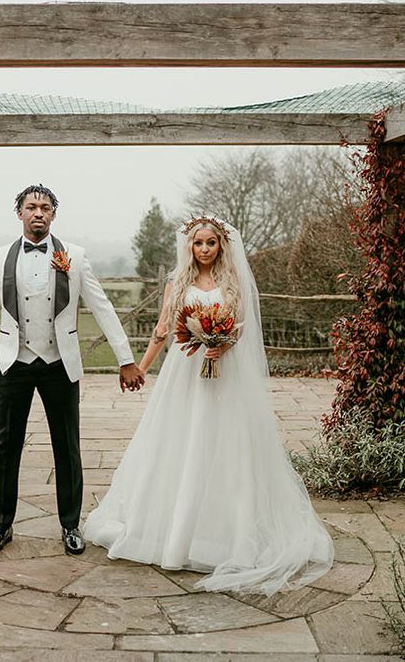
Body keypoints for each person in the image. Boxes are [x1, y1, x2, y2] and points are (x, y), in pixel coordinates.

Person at [84, 216, 333, 595]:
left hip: (226, 375)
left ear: (221, 245)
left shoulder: (233, 282)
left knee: (227, 445)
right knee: (179, 442)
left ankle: (228, 533)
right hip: (185, 374)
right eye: (197, 243)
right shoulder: (177, 282)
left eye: (210, 244)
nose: (203, 250)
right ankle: (173, 528)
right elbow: (163, 329)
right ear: (189, 246)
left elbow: (244, 328)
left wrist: (224, 343)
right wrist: (141, 368)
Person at [0, 184, 145, 556]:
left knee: (67, 446)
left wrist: (125, 357)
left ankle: (71, 525)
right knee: (6, 447)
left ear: (54, 214)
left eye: (46, 207)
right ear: (18, 212)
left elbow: (102, 307)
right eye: (31, 207)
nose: (39, 213)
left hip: (59, 364)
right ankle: (0, 526)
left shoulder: (76, 256)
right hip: (14, 365)